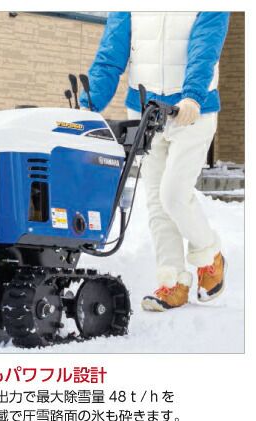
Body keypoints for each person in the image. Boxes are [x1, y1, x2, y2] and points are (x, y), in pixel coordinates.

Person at [80, 12, 230, 311]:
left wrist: (193, 96)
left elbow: (205, 47)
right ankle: (173, 281)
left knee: (173, 195)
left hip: (192, 111)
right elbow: (111, 52)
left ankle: (209, 254)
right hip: (146, 110)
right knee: (156, 201)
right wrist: (90, 104)